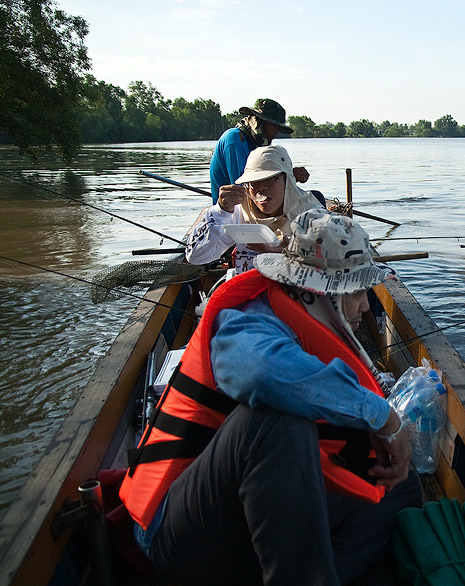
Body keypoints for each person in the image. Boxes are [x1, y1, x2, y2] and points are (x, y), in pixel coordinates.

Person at [120, 209, 422, 585]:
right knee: (274, 422)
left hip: (243, 515)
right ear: (315, 291)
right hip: (176, 530)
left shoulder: (308, 317)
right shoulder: (248, 319)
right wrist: (383, 416)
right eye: (356, 291)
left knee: (401, 484)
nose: (365, 305)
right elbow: (258, 372)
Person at [186, 144, 322, 275]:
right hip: (249, 291)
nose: (260, 188)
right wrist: (220, 212)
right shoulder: (239, 213)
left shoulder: (314, 216)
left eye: (269, 179)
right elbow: (196, 257)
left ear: (288, 181)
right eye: (253, 182)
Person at [209, 98, 310, 204]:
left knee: (315, 197)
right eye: (274, 125)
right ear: (259, 122)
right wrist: (288, 178)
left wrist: (290, 176)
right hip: (235, 210)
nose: (277, 131)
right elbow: (245, 187)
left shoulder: (255, 143)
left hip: (254, 202)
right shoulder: (234, 139)